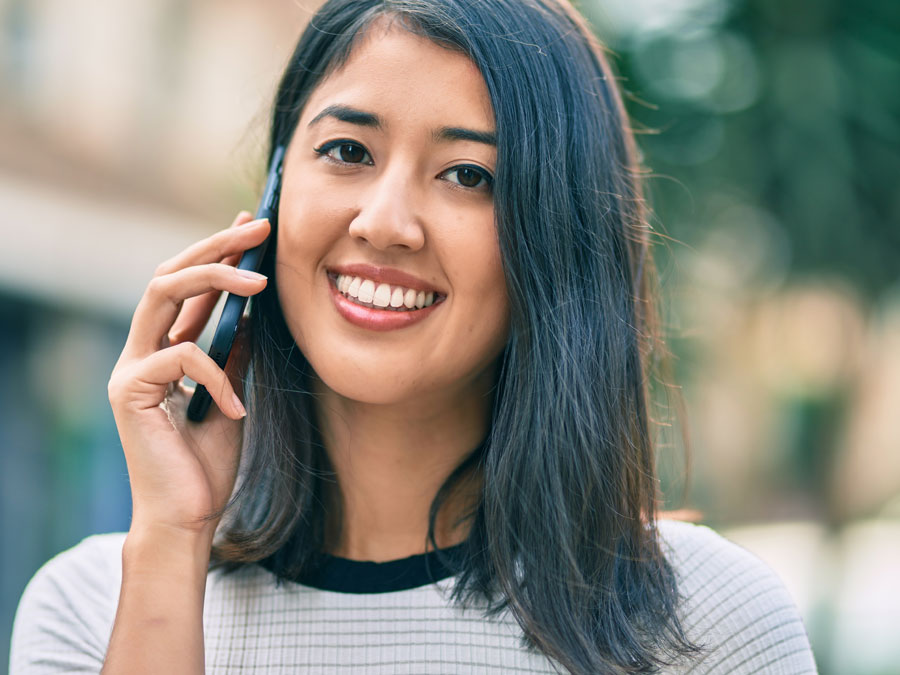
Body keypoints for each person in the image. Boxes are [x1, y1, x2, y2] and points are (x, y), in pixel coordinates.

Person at [10, 0, 818, 673]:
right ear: (273, 199)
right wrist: (170, 544)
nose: (385, 222)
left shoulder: (711, 626)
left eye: (469, 174)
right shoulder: (90, 607)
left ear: (557, 243)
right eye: (347, 151)